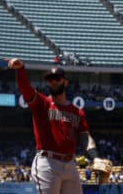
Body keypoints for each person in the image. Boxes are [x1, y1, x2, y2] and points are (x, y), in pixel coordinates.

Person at [6, 58, 102, 194]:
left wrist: (95, 157)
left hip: (70, 164)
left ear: (65, 82)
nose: (53, 81)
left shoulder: (77, 112)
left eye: (57, 78)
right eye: (50, 79)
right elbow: (25, 88)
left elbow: (85, 136)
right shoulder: (41, 103)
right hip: (48, 162)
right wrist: (21, 69)